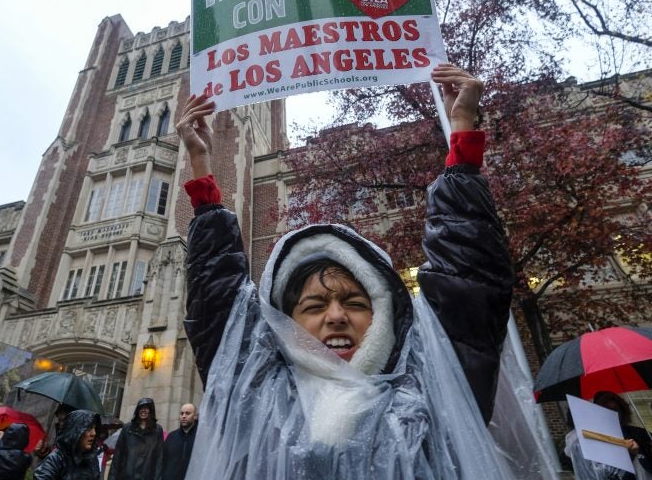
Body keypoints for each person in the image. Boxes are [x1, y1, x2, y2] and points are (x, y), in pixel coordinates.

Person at [176, 64, 515, 478]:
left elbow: (469, 281)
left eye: (354, 301)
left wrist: (461, 130)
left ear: (382, 313)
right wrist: (200, 168)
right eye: (315, 304)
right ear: (285, 321)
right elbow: (217, 304)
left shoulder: (432, 387)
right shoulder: (255, 392)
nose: (336, 316)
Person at [34, 410, 100, 480]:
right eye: (88, 428)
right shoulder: (56, 459)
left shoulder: (92, 460)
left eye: (95, 428)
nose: (94, 433)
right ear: (76, 431)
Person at [107, 399, 163, 480]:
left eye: (146, 408)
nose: (143, 410)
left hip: (146, 475)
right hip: (127, 476)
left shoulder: (157, 430)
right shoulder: (127, 428)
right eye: (141, 408)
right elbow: (118, 455)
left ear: (151, 410)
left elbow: (159, 458)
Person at [161, 404, 197, 480]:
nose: (183, 416)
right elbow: (163, 461)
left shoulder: (200, 437)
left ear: (195, 416)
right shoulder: (171, 436)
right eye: (181, 413)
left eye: (187, 413)